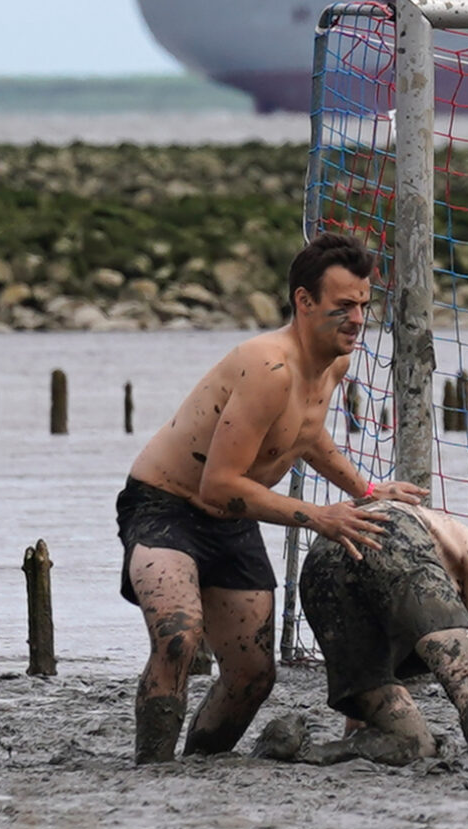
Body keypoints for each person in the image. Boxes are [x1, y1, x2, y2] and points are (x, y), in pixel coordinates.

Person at [119, 232, 420, 764]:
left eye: (364, 306)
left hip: (231, 523)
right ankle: (152, 770)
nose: (357, 319)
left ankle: (200, 765)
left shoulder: (334, 363)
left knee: (253, 677)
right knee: (179, 636)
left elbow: (305, 435)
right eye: (343, 307)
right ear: (304, 302)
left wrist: (367, 490)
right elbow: (219, 484)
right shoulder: (268, 366)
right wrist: (318, 518)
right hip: (166, 506)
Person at [258, 503, 468, 768]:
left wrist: (360, 723)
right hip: (393, 535)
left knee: (413, 744)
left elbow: (375, 669)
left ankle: (298, 749)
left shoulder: (439, 561)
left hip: (322, 560)